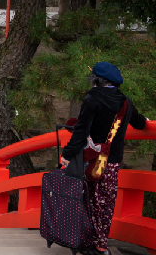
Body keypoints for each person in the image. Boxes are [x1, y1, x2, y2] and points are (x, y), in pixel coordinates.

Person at [60, 62, 149, 255]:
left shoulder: (92, 98)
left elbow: (81, 131)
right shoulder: (125, 102)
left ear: (96, 80)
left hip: (90, 159)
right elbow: (140, 123)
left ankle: (86, 242)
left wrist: (67, 154)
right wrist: (147, 122)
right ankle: (101, 245)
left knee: (87, 199)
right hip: (112, 161)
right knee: (105, 202)